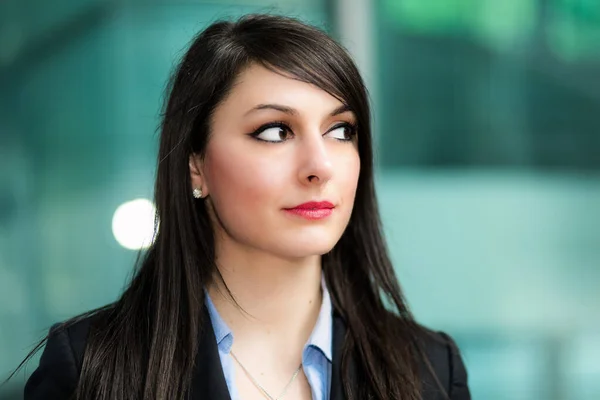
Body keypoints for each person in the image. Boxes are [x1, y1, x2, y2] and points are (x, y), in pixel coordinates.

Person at [18, 14, 470, 400]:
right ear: (196, 165)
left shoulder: (428, 370)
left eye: (340, 131)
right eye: (275, 132)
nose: (319, 166)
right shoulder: (92, 370)